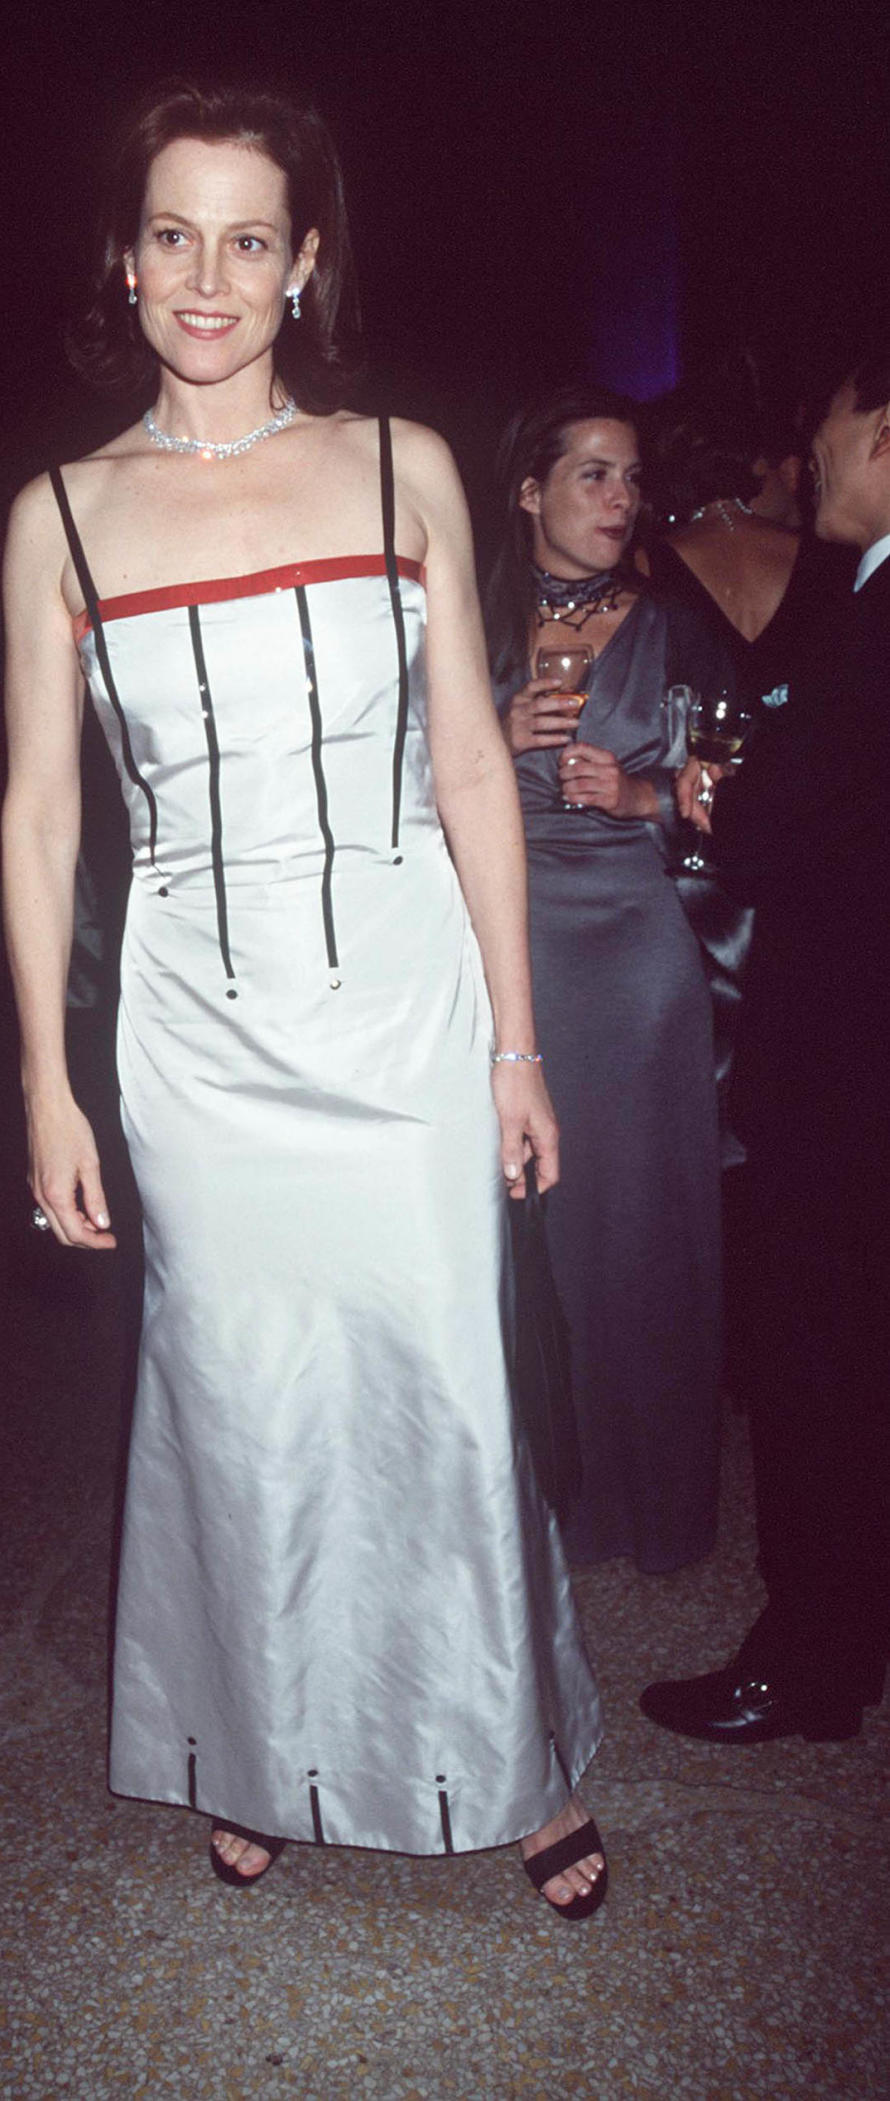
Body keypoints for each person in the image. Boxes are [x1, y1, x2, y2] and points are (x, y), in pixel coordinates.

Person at [2, 82, 607, 1915]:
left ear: (304, 262)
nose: (207, 275)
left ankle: (505, 1755)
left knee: (437, 1371)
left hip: (407, 1007)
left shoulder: (402, 462)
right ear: (126, 259)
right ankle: (250, 1735)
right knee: (237, 1393)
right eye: (172, 233)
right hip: (191, 1024)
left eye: (247, 237)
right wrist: (47, 1082)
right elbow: (39, 814)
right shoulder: (62, 513)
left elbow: (474, 777)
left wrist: (514, 1039)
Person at [640, 348, 890, 1744]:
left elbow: (775, 826)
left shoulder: (874, 603)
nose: (809, 455)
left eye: (831, 423)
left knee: (818, 1356)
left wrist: (700, 797)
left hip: (844, 1054)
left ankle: (807, 1663)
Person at [483, 389, 731, 1575]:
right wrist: (490, 727)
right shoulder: (464, 624)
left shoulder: (678, 624)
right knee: (533, 1227)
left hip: (636, 958)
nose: (621, 500)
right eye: (593, 475)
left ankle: (656, 1507)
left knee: (646, 1231)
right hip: (509, 956)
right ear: (529, 488)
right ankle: (542, 1499)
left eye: (630, 478)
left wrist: (646, 798)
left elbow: (735, 794)